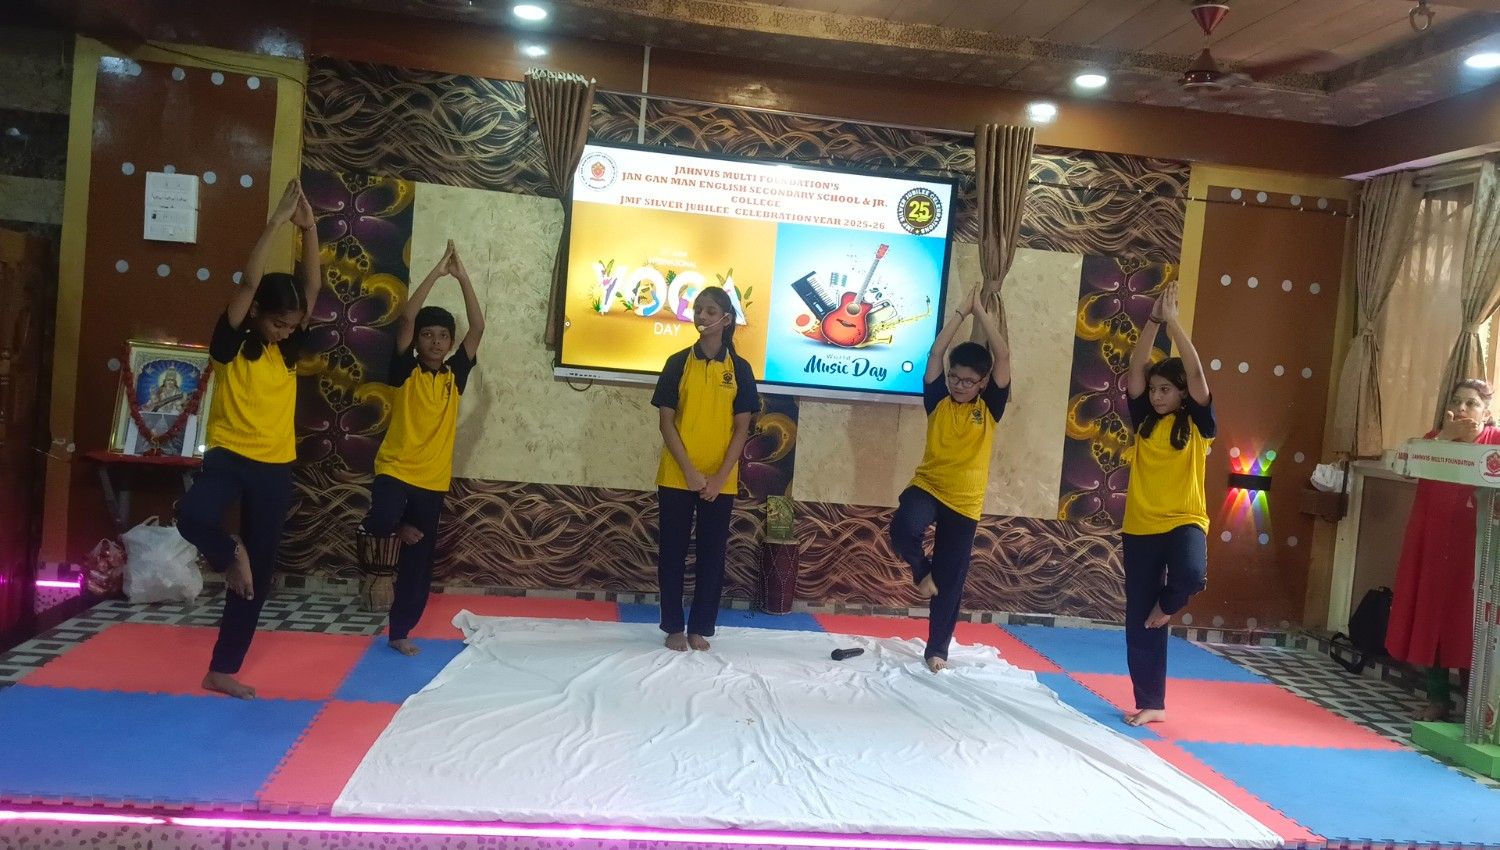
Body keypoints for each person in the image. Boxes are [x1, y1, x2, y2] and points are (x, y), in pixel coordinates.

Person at [177, 179, 320, 699]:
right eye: (279, 323)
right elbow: (247, 280)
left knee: (258, 573)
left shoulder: (288, 350)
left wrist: (310, 231)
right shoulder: (231, 343)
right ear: (257, 311)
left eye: (292, 325)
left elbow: (312, 287)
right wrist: (277, 222)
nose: (286, 331)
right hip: (228, 457)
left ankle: (222, 669)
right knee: (192, 517)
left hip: (275, 466)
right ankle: (228, 552)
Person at [358, 241, 484, 656]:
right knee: (383, 519)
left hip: (432, 480)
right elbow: (407, 316)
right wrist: (437, 270)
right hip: (395, 469)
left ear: (450, 343)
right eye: (428, 335)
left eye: (442, 336)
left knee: (419, 563)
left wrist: (462, 277)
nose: (435, 341)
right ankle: (398, 527)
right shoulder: (405, 370)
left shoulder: (454, 376)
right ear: (417, 342)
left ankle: (400, 632)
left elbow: (478, 327)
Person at [888, 286, 1010, 673]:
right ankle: (920, 573)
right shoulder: (937, 399)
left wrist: (982, 313)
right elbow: (935, 354)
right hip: (928, 487)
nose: (958, 385)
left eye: (967, 381)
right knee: (904, 528)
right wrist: (960, 312)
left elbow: (1003, 356)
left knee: (951, 578)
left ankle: (937, 649)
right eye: (954, 378)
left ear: (983, 382)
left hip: (965, 501)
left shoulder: (990, 408)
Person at [1120, 281, 1213, 725]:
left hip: (1184, 520)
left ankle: (1168, 605)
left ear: (1182, 394)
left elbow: (1196, 374)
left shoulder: (1198, 426)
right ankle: (1151, 702)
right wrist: (1152, 322)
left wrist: (1174, 323)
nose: (1156, 396)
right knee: (1139, 618)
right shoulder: (1143, 421)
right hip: (1141, 526)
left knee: (1191, 573)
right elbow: (1135, 371)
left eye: (1165, 390)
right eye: (1154, 390)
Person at [651, 286, 758, 652]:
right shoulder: (677, 363)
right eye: (698, 309)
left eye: (710, 311)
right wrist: (691, 473)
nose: (701, 316)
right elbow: (666, 422)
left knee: (712, 556)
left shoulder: (740, 369)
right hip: (677, 476)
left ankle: (699, 627)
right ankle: (673, 626)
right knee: (672, 553)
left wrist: (718, 478)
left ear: (726, 319)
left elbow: (742, 429)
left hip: (720, 481)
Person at [1387, 378, 1500, 720]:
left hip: (1477, 550)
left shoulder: (1495, 442)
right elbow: (1406, 467)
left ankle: (1474, 704)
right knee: (1432, 618)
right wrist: (1445, 439)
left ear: (1486, 412)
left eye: (1471, 403)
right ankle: (1438, 699)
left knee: (1472, 622)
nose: (1462, 409)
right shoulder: (1435, 439)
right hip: (1434, 544)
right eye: (1456, 401)